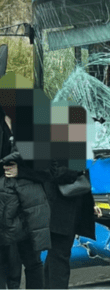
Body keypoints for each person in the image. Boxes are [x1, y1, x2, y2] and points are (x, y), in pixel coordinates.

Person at [13, 104, 100, 289]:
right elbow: (59, 173)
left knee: (57, 259)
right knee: (58, 259)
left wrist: (92, 205)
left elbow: (74, 177)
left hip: (64, 211)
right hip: (60, 212)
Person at [0, 107, 50, 289]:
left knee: (32, 261)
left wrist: (21, 172)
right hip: (3, 204)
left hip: (28, 205)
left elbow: (47, 170)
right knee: (7, 264)